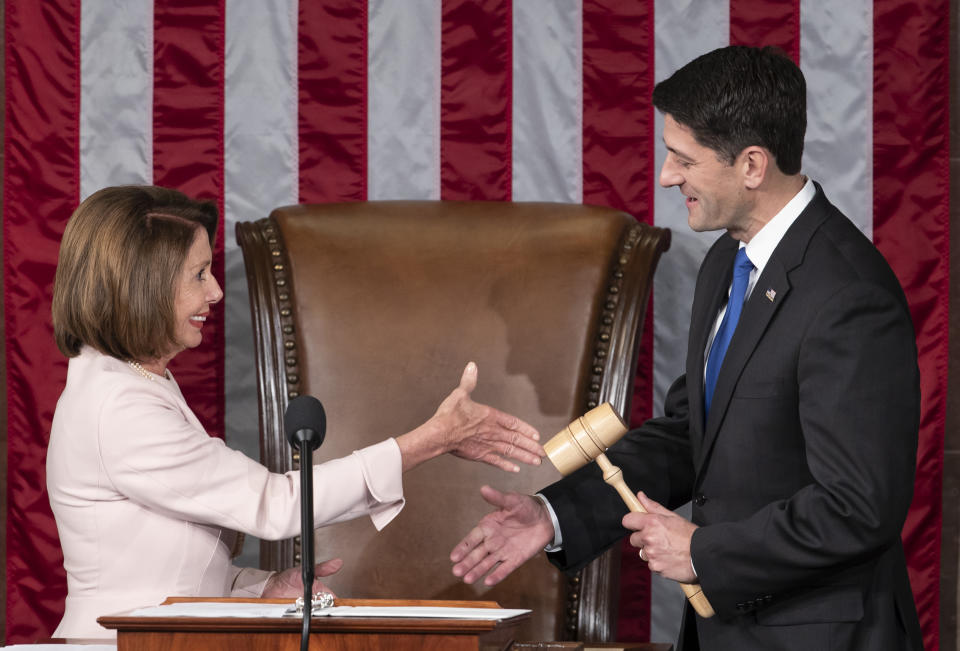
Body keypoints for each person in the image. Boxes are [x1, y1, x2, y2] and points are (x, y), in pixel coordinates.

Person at [450, 46, 923, 651]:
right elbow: (692, 435)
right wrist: (554, 515)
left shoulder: (848, 295)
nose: (667, 176)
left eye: (683, 159)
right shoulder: (729, 260)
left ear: (752, 164)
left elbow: (858, 506)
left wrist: (702, 549)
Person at [47, 185, 544, 639]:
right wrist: (431, 440)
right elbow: (273, 503)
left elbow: (157, 558)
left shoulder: (132, 382)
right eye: (198, 274)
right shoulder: (120, 406)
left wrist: (256, 590)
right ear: (142, 286)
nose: (216, 291)